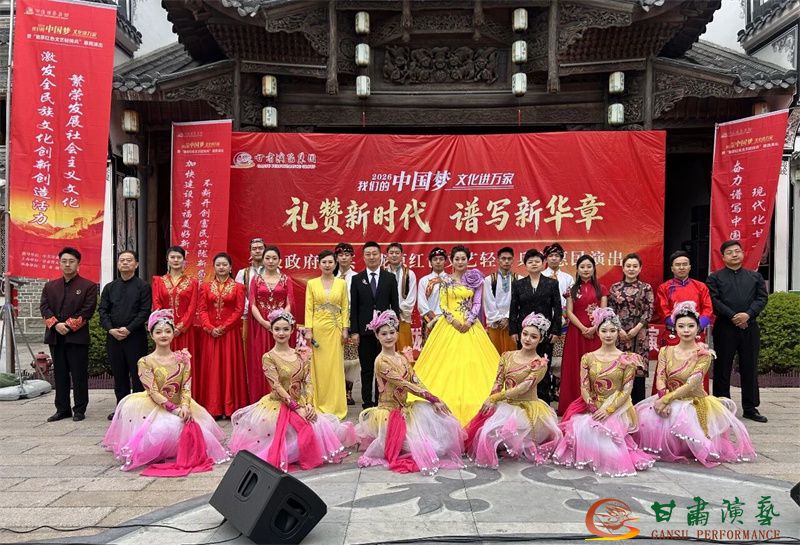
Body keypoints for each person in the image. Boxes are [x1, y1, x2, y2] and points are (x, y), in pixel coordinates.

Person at [229, 310, 356, 471]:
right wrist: (296, 408)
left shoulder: (301, 354)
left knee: (318, 425)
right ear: (271, 330)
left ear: (291, 330)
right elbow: (276, 385)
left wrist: (308, 405)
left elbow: (308, 382)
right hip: (279, 404)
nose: (281, 333)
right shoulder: (268, 357)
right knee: (293, 432)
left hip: (300, 403)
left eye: (285, 329)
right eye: (277, 329)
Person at [103, 310, 228, 472]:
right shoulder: (145, 361)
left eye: (168, 331)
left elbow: (186, 386)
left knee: (200, 432)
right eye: (158, 332)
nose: (163, 335)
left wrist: (185, 406)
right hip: (154, 406)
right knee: (166, 429)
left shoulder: (183, 358)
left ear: (173, 334)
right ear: (152, 335)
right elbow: (153, 391)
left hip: (180, 404)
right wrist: (174, 410)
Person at [635, 301, 756, 465]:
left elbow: (691, 384)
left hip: (693, 402)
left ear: (698, 328)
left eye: (691, 326)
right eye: (681, 326)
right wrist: (663, 397)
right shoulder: (665, 351)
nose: (686, 330)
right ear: (674, 328)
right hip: (667, 397)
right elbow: (660, 376)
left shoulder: (704, 354)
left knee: (697, 441)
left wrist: (666, 400)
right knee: (645, 420)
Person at [356, 310, 465, 475]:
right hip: (389, 414)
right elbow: (405, 384)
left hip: (404, 409)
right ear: (377, 336)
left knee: (439, 433)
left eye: (392, 332)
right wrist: (432, 398)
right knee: (424, 449)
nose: (388, 337)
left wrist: (434, 399)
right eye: (384, 334)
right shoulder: (381, 361)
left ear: (397, 334)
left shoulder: (401, 358)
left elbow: (415, 380)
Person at [553, 308, 655, 477]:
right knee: (582, 429)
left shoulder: (627, 359)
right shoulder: (588, 357)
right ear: (598, 332)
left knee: (608, 442)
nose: (608, 335)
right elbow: (584, 386)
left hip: (618, 407)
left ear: (618, 332)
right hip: (592, 404)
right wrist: (592, 406)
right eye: (604, 330)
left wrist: (608, 410)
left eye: (612, 331)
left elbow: (626, 390)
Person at [413, 245, 499, 426]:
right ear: (451, 261)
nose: (460, 262)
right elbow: (443, 304)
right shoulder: (445, 280)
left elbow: (477, 303)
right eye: (457, 259)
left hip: (470, 325)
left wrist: (469, 321)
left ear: (468, 260)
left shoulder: (476, 280)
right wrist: (453, 321)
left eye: (463, 259)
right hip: (449, 325)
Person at [465, 312, 562, 468]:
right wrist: (491, 400)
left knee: (510, 438)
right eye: (525, 334)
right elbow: (498, 382)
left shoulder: (540, 363)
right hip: (506, 404)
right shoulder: (507, 356)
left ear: (540, 339)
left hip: (528, 409)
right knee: (485, 435)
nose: (527, 339)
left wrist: (495, 398)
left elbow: (523, 388)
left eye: (533, 337)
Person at [706, 241, 769, 423]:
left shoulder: (755, 277)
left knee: (750, 366)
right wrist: (733, 316)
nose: (734, 255)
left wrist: (747, 315)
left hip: (749, 327)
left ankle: (750, 407)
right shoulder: (714, 278)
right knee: (722, 367)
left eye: (737, 251)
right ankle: (722, 406)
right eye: (730, 252)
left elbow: (761, 298)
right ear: (723, 257)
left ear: (742, 254)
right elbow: (714, 301)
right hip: (725, 327)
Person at [40, 247, 98, 422]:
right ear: (59, 263)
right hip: (55, 336)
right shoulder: (50, 286)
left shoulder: (88, 286)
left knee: (79, 374)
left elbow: (88, 310)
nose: (67, 265)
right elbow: (44, 307)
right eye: (64, 261)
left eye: (71, 261)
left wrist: (68, 326)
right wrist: (56, 325)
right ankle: (62, 409)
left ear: (78, 264)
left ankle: (79, 409)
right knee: (60, 374)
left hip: (77, 338)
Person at [99, 250, 152, 420]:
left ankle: (138, 408)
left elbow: (144, 312)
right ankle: (121, 408)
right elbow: (103, 311)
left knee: (137, 375)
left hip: (135, 337)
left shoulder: (143, 287)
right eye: (122, 260)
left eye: (129, 260)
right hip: (114, 337)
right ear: (117, 264)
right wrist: (110, 329)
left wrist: (129, 329)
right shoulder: (110, 287)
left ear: (136, 264)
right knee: (119, 375)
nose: (125, 263)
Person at [654, 250, 714, 393]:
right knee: (667, 368)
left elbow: (708, 309)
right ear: (672, 268)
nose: (681, 267)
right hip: (673, 335)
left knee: (698, 368)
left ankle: (698, 399)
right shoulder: (664, 288)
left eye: (684, 264)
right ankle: (666, 397)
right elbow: (663, 310)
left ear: (690, 267)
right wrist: (680, 327)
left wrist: (696, 327)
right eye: (678, 265)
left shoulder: (700, 287)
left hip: (695, 334)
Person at [197, 252, 248, 418]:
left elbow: (239, 310)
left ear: (230, 267)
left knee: (229, 369)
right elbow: (202, 309)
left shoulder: (239, 287)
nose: (221, 267)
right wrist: (210, 327)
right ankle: (213, 408)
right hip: (210, 334)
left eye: (225, 264)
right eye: (218, 264)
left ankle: (229, 407)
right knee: (212, 370)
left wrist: (224, 327)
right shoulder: (205, 287)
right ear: (214, 267)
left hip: (230, 335)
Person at [349, 242, 400, 409]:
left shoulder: (389, 278)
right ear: (363, 257)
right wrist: (354, 331)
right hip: (364, 332)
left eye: (374, 254)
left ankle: (382, 399)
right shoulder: (357, 279)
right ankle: (367, 402)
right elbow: (354, 307)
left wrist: (395, 329)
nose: (372, 257)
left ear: (380, 256)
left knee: (384, 366)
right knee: (367, 368)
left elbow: (395, 305)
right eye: (368, 254)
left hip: (385, 332)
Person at [508, 249, 562, 403]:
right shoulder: (518, 284)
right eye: (530, 262)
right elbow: (513, 308)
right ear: (525, 265)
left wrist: (556, 331)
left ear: (543, 263)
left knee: (543, 365)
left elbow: (557, 309)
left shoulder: (552, 283)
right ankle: (524, 399)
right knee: (525, 365)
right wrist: (513, 330)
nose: (534, 264)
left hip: (545, 333)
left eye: (537, 261)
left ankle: (543, 401)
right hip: (524, 332)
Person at [557, 254, 607, 416]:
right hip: (576, 334)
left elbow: (604, 311)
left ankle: (596, 403)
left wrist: (594, 328)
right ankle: (573, 403)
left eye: (589, 266)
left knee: (595, 367)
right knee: (575, 366)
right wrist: (583, 328)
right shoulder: (571, 290)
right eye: (582, 267)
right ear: (577, 269)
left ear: (594, 268)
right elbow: (569, 312)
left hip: (596, 333)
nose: (586, 270)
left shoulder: (601, 288)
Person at [305, 250, 350, 420]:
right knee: (319, 368)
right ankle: (318, 404)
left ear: (335, 264)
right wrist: (308, 330)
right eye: (324, 262)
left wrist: (345, 329)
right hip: (318, 330)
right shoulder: (312, 284)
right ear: (319, 264)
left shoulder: (341, 284)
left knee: (335, 368)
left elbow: (345, 307)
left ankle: (336, 406)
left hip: (335, 329)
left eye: (330, 262)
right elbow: (309, 308)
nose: (327, 265)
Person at [246, 245, 295, 403]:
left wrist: (279, 322)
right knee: (261, 361)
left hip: (281, 328)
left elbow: (290, 303)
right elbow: (252, 304)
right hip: (261, 327)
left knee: (282, 361)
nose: (271, 261)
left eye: (274, 258)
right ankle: (262, 398)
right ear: (263, 260)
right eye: (267, 258)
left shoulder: (286, 279)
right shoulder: (256, 279)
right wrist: (264, 322)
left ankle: (285, 397)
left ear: (280, 260)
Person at [608, 253, 654, 404]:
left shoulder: (646, 287)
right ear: (623, 268)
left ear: (640, 268)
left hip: (639, 333)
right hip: (619, 332)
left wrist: (636, 328)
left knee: (637, 368)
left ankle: (638, 406)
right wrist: (619, 329)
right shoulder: (615, 288)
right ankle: (618, 406)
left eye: (635, 266)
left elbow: (649, 310)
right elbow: (611, 311)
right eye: (628, 266)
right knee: (619, 369)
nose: (631, 269)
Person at [151, 246, 198, 357]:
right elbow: (157, 304)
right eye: (172, 257)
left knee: (185, 360)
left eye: (179, 257)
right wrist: (167, 325)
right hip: (164, 329)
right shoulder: (158, 281)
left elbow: (192, 307)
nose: (176, 260)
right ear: (167, 259)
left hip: (185, 329)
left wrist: (180, 327)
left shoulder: (193, 282)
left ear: (184, 260)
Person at [335, 242, 359, 405]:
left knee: (351, 359)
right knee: (335, 357)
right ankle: (336, 391)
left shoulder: (357, 277)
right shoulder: (330, 277)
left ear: (352, 257)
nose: (344, 258)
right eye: (340, 255)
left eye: (347, 255)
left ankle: (348, 392)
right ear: (336, 257)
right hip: (333, 322)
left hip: (351, 321)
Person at [541, 243, 574, 360]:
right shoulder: (540, 276)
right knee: (544, 352)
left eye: (557, 255)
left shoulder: (568, 278)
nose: (554, 258)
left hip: (564, 319)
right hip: (544, 318)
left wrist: (564, 313)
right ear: (546, 258)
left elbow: (571, 299)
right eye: (551, 256)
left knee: (562, 354)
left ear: (561, 258)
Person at [483, 246, 518, 355]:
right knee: (494, 353)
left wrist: (508, 317)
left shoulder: (519, 279)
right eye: (503, 258)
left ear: (513, 260)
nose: (506, 261)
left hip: (511, 322)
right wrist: (498, 318)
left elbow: (518, 302)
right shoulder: (489, 280)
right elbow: (488, 301)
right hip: (495, 322)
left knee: (512, 353)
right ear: (498, 260)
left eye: (509, 258)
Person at [235, 237, 267, 348]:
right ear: (250, 252)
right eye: (254, 249)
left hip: (268, 318)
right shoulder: (243, 273)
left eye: (260, 248)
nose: (257, 251)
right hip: (248, 317)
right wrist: (253, 310)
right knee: (249, 348)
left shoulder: (274, 272)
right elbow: (239, 297)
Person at [385, 242, 417, 352]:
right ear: (387, 255)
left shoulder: (409, 274)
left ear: (402, 255)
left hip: (403, 316)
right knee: (387, 347)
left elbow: (411, 297)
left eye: (397, 253)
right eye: (391, 253)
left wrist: (398, 310)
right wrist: (388, 312)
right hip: (385, 318)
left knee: (404, 348)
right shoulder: (382, 273)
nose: (394, 255)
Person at [417, 247, 447, 346]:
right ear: (430, 262)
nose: (438, 262)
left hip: (448, 320)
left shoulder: (450, 280)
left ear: (445, 261)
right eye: (435, 259)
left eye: (441, 259)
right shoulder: (424, 280)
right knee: (430, 348)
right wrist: (433, 320)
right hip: (430, 321)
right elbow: (422, 303)